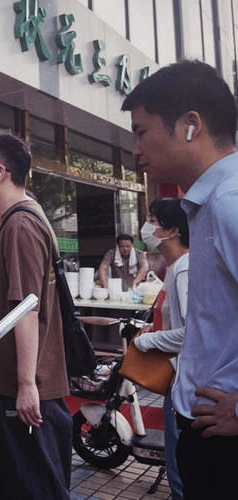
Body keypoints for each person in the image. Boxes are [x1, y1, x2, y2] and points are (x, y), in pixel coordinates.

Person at [122, 59, 238, 499]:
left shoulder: (229, 201)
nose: (136, 149)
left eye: (141, 132)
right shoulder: (209, 203)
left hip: (225, 441)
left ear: (191, 125)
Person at [0, 134, 72, 500]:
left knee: (29, 487)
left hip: (22, 386)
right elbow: (28, 293)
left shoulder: (20, 225)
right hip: (26, 381)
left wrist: (26, 385)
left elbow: (27, 309)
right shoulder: (28, 214)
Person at [132, 198, 189, 500]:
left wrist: (147, 341)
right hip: (174, 381)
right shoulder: (174, 268)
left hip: (184, 385)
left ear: (173, 230)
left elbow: (192, 333)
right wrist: (153, 331)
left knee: (179, 470)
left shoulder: (185, 269)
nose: (147, 227)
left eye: (153, 221)